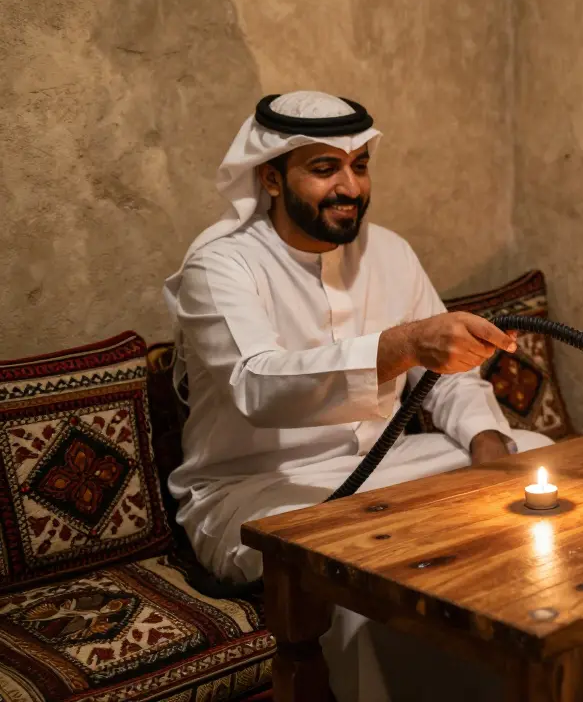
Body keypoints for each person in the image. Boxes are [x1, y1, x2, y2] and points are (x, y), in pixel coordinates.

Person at [163, 90, 552, 701]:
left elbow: (446, 375)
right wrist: (401, 346)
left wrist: (488, 442)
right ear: (270, 177)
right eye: (325, 169)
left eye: (360, 165)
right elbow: (258, 384)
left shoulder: (389, 251)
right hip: (259, 491)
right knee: (357, 579)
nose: (350, 187)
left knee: (533, 456)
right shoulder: (221, 266)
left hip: (386, 468)